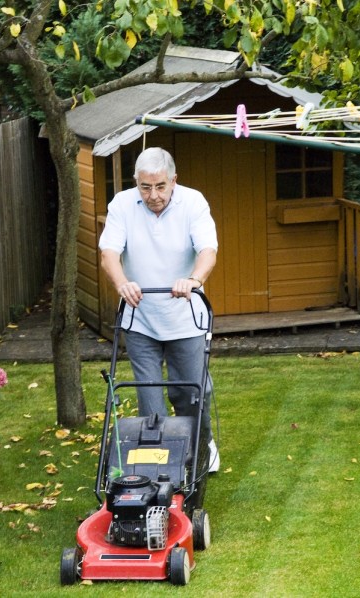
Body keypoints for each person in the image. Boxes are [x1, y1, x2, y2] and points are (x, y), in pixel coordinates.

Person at [98, 147, 220, 472]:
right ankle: (161, 466)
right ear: (136, 182)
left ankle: (201, 448)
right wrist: (123, 283)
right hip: (140, 319)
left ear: (173, 181)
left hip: (185, 317)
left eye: (160, 186)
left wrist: (193, 279)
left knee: (190, 395)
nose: (153, 195)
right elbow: (109, 253)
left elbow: (208, 250)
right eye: (145, 187)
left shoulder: (193, 202)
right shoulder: (122, 204)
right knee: (149, 400)